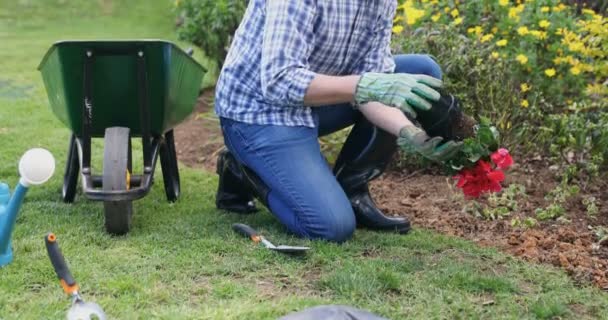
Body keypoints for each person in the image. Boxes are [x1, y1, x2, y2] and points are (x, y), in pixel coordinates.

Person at [214, 1, 462, 243]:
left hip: (313, 100)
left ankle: (353, 192)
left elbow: (374, 87)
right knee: (330, 226)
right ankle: (240, 166)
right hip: (259, 111)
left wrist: (410, 133)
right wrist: (366, 85)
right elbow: (280, 81)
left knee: (420, 73)